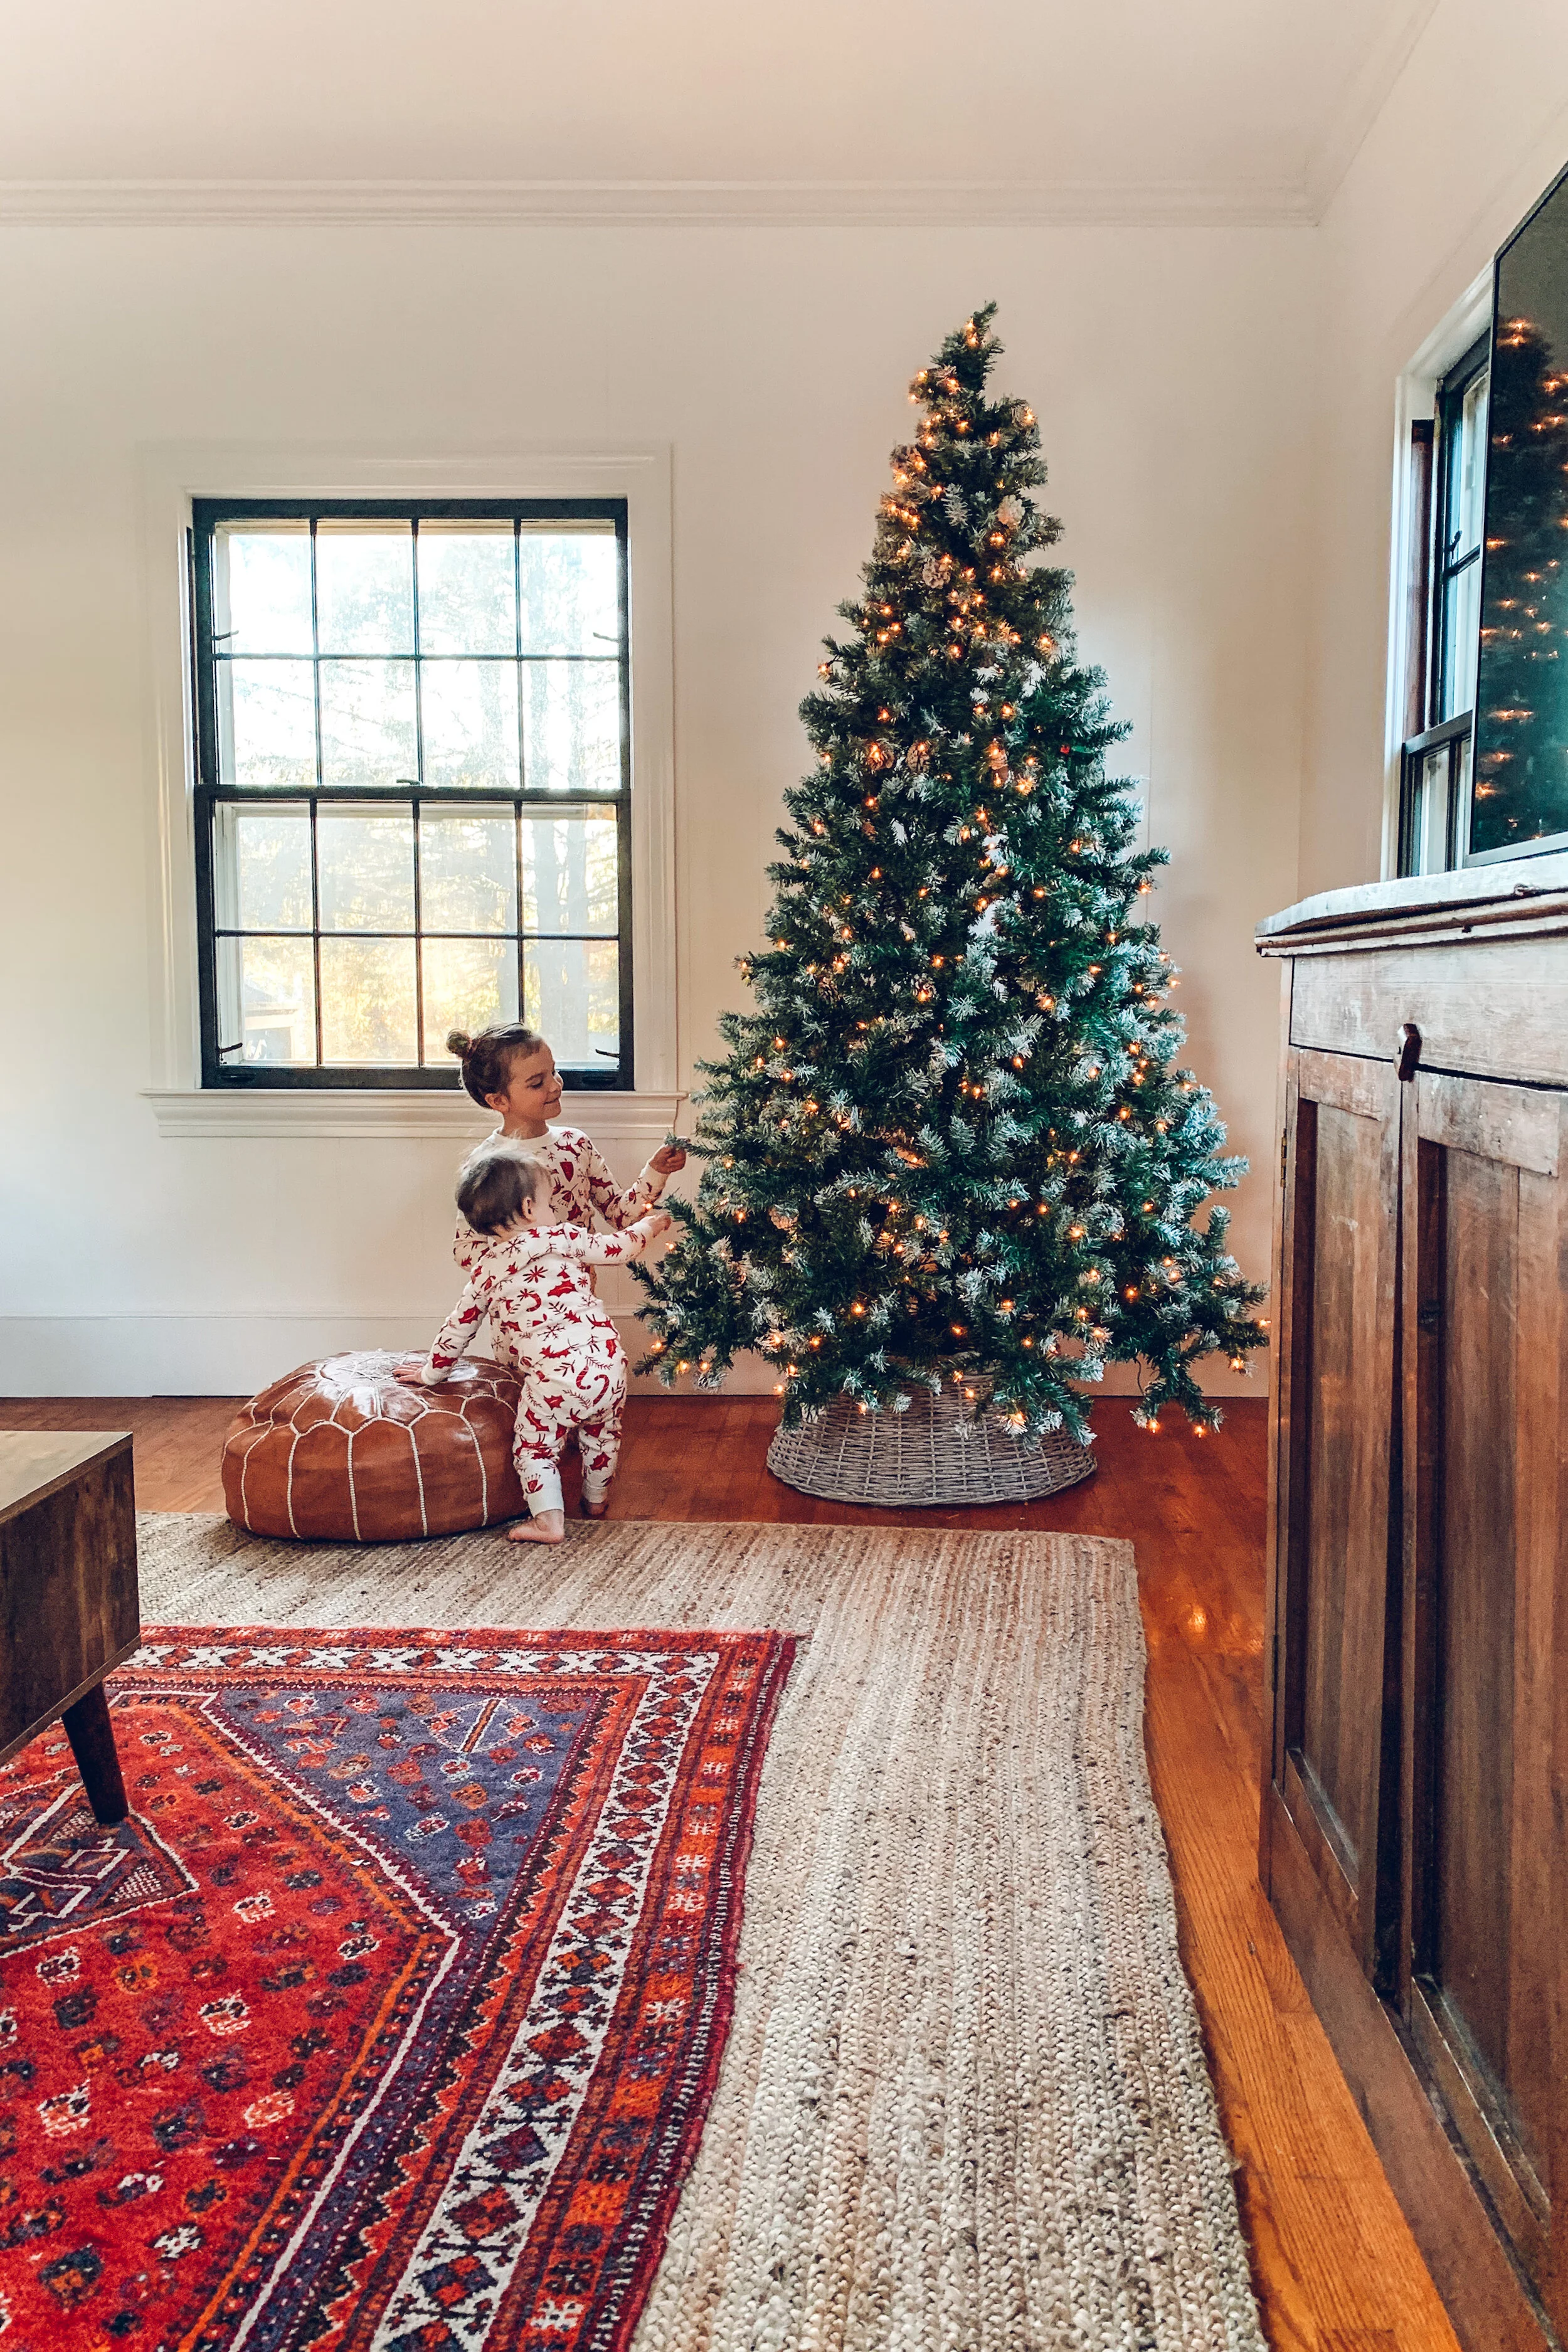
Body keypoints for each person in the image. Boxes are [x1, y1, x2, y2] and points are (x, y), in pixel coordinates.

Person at [399, 1143, 670, 1545]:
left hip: (554, 1379)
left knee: (535, 1448)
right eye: (549, 1203)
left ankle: (550, 1522)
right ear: (530, 1208)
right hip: (608, 1363)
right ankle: (595, 1498)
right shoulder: (563, 1237)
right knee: (604, 1432)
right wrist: (651, 1226)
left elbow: (458, 1329)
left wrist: (430, 1373)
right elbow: (621, 1247)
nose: (553, 1211)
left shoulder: (486, 1269)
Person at [445, 1025, 684, 1279]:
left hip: (580, 1304)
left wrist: (656, 1171)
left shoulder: (575, 1144)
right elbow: (466, 1250)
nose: (555, 1086)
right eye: (537, 1083)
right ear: (499, 1101)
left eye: (553, 1072)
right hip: (521, 1309)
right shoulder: (486, 1164)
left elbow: (620, 1216)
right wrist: (528, 1257)